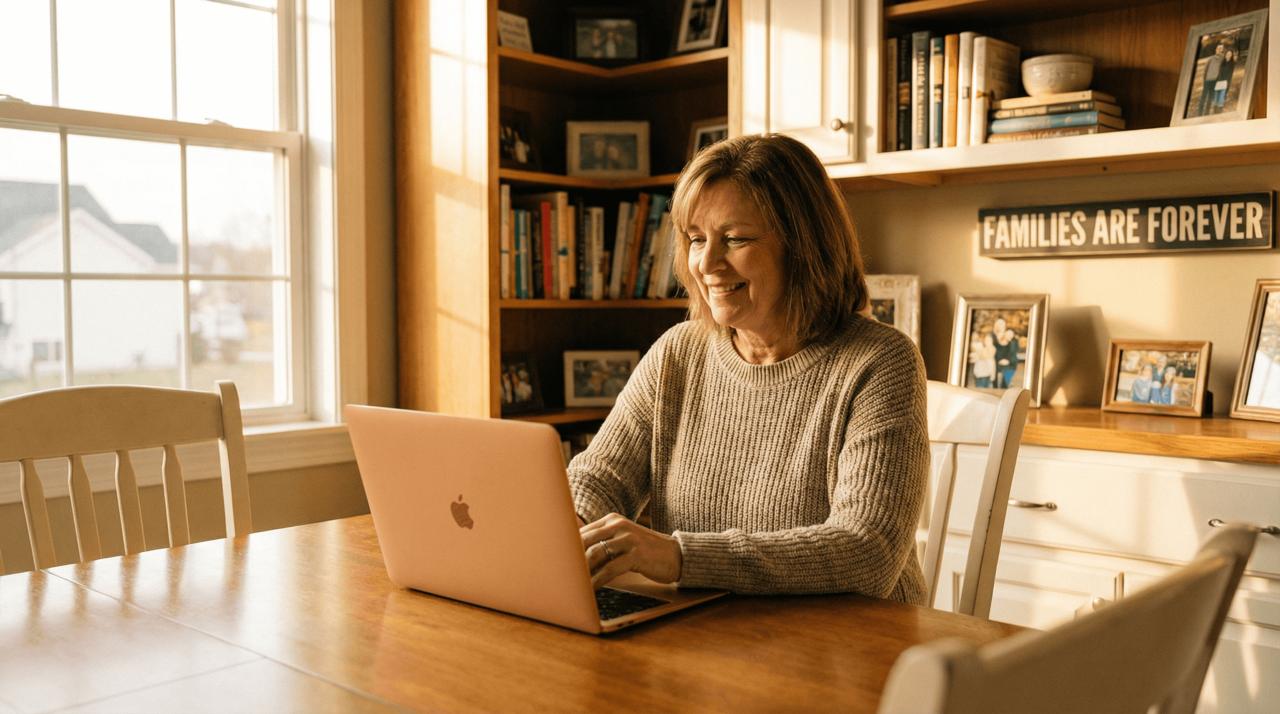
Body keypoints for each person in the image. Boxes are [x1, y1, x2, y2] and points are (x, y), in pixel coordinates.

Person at [567, 134, 929, 603]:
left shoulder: (880, 362)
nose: (707, 263)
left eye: (734, 239)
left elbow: (866, 551)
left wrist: (678, 557)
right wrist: (572, 530)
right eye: (697, 239)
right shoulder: (679, 353)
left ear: (804, 246)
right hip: (712, 638)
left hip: (855, 650)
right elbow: (600, 478)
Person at [1196, 42, 1226, 117]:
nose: (1220, 50)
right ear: (1216, 49)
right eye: (1219, 48)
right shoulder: (1210, 59)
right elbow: (1205, 70)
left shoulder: (1222, 60)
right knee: (1203, 97)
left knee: (1210, 98)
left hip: (1215, 81)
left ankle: (1206, 113)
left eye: (1221, 49)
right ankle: (1199, 113)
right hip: (1207, 81)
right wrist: (1205, 79)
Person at [1214, 48, 1237, 112]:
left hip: (1225, 81)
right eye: (1228, 54)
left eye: (1230, 54)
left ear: (1231, 55)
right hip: (1219, 80)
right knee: (1216, 95)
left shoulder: (1232, 63)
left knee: (1222, 95)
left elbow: (1230, 74)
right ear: (1226, 54)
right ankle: (1215, 108)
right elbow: (1219, 71)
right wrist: (1217, 80)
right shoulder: (1222, 62)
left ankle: (1219, 109)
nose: (1228, 55)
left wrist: (1228, 83)